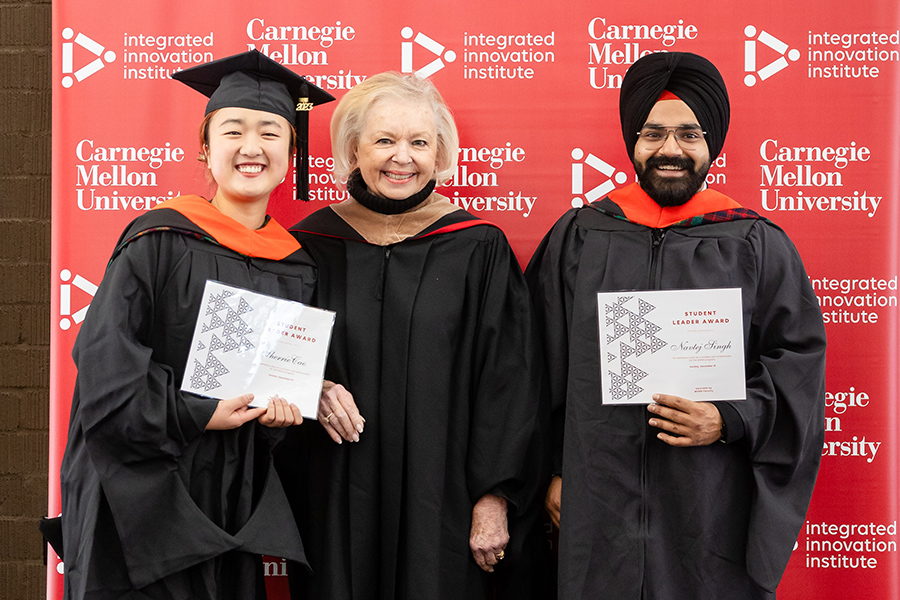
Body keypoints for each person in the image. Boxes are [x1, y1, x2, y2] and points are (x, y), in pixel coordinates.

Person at [526, 52, 826, 599]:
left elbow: (797, 366)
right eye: (653, 133)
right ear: (632, 140)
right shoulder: (580, 236)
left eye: (689, 134)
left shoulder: (755, 242)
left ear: (712, 143)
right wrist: (552, 468)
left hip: (708, 502)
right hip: (597, 501)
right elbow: (534, 363)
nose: (670, 150)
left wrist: (729, 418)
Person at [59, 49, 333, 599]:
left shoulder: (298, 264)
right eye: (233, 131)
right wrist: (200, 413)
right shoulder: (157, 239)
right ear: (205, 151)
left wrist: (282, 412)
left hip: (231, 497)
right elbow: (105, 367)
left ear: (291, 152)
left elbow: (280, 388)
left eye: (271, 132)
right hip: (142, 490)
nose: (251, 147)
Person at [276, 72, 548, 600]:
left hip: (442, 503)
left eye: (419, 142)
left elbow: (510, 386)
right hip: (333, 498)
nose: (402, 157)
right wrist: (314, 386)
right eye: (384, 140)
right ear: (353, 149)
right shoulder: (308, 246)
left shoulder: (476, 248)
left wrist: (494, 499)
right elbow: (273, 366)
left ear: (438, 152)